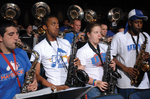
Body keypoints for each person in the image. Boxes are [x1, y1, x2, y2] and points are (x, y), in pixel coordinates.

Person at [30, 15, 81, 91]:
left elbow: (70, 62)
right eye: (53, 24)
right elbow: (36, 74)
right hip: (52, 87)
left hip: (70, 85)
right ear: (45, 27)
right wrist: (55, 87)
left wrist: (77, 63)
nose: (57, 27)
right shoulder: (38, 47)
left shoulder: (65, 42)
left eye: (57, 24)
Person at [111, 9, 150, 99]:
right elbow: (111, 57)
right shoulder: (119, 36)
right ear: (130, 22)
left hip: (144, 82)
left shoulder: (145, 36)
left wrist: (148, 57)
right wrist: (125, 68)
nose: (139, 25)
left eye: (141, 22)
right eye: (136, 22)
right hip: (126, 83)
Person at [76, 23, 116, 99]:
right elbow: (80, 74)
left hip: (108, 86)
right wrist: (96, 83)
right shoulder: (82, 51)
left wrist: (113, 65)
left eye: (100, 32)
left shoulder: (105, 47)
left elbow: (112, 68)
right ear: (88, 34)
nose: (99, 35)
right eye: (96, 32)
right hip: (92, 89)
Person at [0, 20, 37, 99]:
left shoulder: (21, 52)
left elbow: (30, 72)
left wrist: (34, 81)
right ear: (0, 37)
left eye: (17, 33)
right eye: (11, 34)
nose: (16, 38)